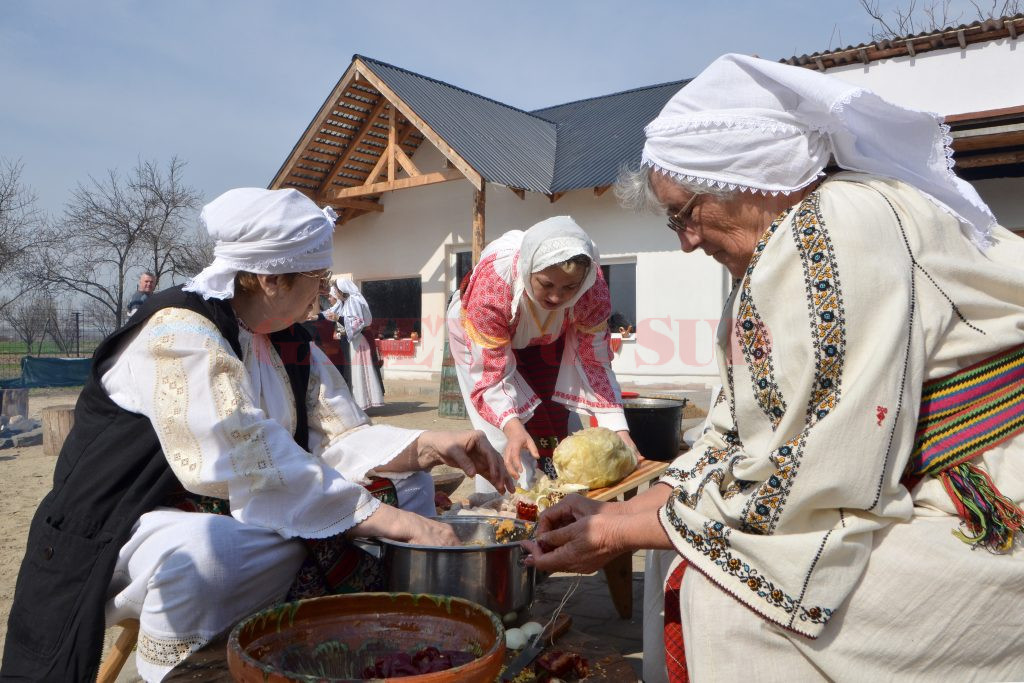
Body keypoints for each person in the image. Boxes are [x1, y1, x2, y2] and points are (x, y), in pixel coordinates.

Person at [523, 53, 1024, 681]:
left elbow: (812, 478)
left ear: (749, 177)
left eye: (684, 214)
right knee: (681, 555)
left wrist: (628, 530)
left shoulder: (835, 225)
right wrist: (616, 514)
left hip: (986, 487)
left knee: (728, 600)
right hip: (911, 477)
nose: (685, 240)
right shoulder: (774, 258)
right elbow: (736, 434)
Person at [1, 188, 514, 682]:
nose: (323, 291)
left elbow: (337, 436)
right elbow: (241, 456)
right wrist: (390, 523)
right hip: (130, 518)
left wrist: (426, 444)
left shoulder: (289, 341)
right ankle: (193, 673)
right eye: (317, 277)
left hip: (236, 498)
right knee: (216, 554)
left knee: (412, 484)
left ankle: (357, 631)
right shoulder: (178, 332)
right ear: (270, 280)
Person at [447, 215, 637, 493]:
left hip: (547, 334)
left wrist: (620, 433)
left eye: (569, 287)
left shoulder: (591, 291)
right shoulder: (493, 287)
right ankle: (509, 503)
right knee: (503, 437)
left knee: (556, 412)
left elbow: (594, 361)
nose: (557, 298)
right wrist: (512, 428)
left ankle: (559, 487)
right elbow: (492, 373)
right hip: (483, 340)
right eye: (547, 284)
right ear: (527, 269)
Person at [325, 278, 385, 410]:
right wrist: (317, 317)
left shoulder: (354, 300)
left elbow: (357, 322)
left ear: (342, 290)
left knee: (360, 370)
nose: (335, 292)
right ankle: (358, 402)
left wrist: (338, 319)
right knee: (354, 370)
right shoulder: (344, 302)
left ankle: (363, 402)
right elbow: (331, 313)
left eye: (336, 290)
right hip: (355, 340)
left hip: (360, 340)